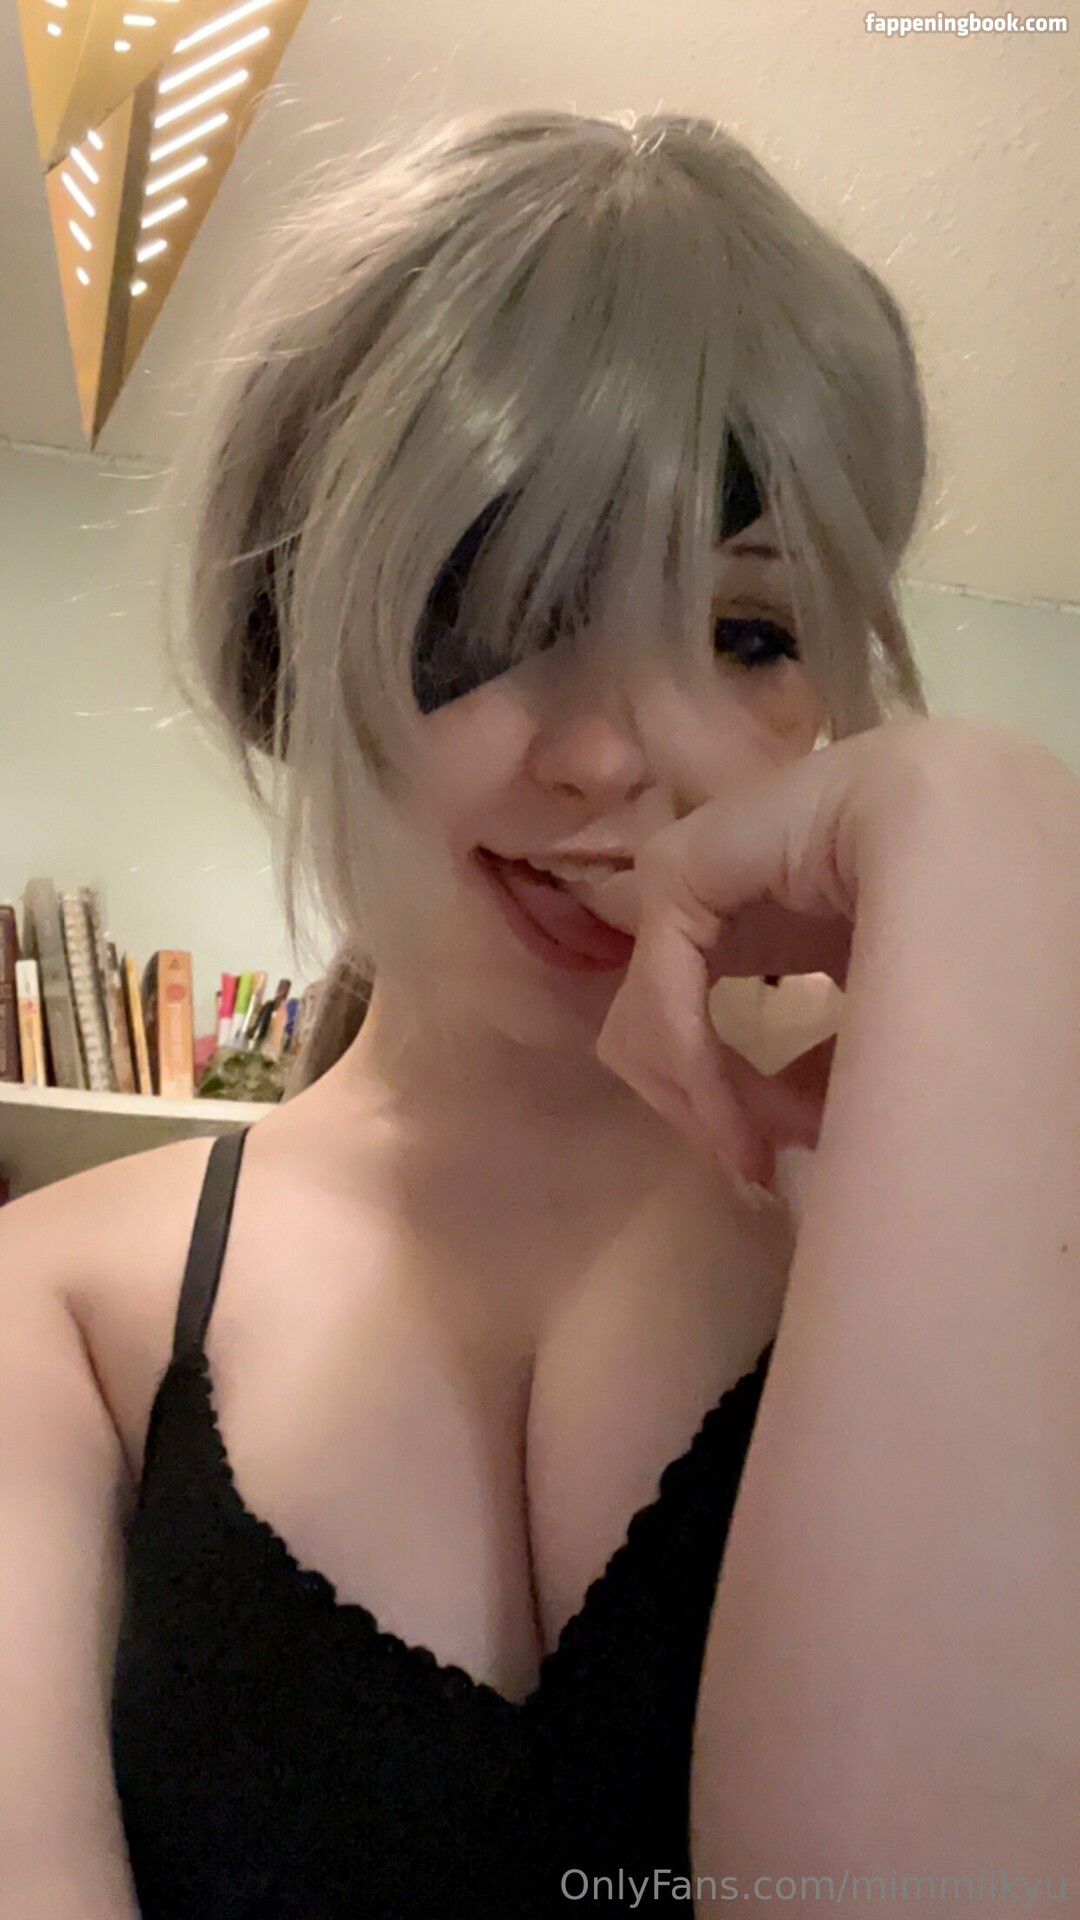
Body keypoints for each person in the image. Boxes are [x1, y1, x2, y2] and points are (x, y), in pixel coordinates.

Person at [3, 108, 1077, 1920]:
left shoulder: (998, 1236)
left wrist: (990, 834)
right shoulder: (59, 1316)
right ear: (297, 642)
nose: (612, 759)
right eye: (504, 601)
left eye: (750, 634)